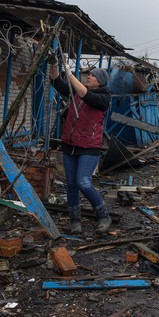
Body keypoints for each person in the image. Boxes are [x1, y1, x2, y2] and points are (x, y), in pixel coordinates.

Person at [49, 54, 112, 234]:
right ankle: (75, 220)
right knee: (71, 184)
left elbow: (86, 96)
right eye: (89, 74)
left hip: (89, 148)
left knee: (83, 182)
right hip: (70, 145)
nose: (89, 76)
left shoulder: (104, 98)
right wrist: (55, 65)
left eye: (93, 75)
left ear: (100, 81)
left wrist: (69, 73)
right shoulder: (78, 91)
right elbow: (56, 82)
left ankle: (103, 215)